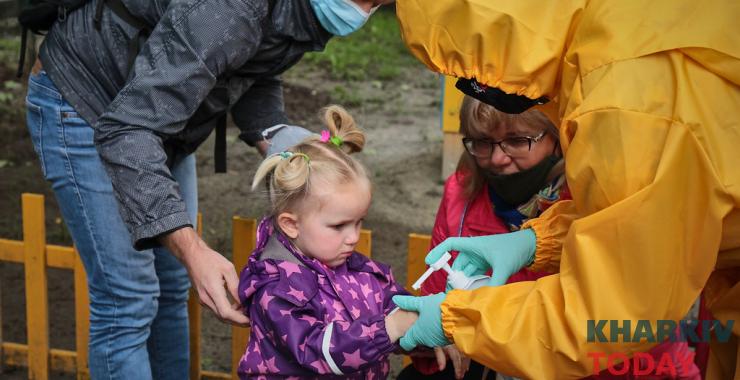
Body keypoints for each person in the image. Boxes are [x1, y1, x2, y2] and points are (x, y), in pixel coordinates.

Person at [24, 0, 393, 378]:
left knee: (171, 290)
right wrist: (194, 249)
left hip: (159, 118)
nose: (369, 10)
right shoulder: (230, 7)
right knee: (128, 299)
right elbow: (128, 130)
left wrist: (276, 138)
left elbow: (252, 59)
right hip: (92, 107)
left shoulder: (295, 14)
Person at [391, 0, 740, 379]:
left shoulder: (631, 104)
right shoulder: (619, 30)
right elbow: (647, 208)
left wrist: (458, 320)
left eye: (468, 65)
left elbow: (613, 307)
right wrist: (539, 241)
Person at [237, 105, 417, 378]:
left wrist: (422, 326)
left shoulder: (356, 268)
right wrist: (390, 328)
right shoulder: (276, 289)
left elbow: (390, 301)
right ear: (291, 224)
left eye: (359, 222)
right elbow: (317, 349)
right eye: (339, 226)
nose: (354, 237)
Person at [398, 95, 566, 380]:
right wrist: (441, 339)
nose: (498, 159)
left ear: (557, 136)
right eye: (482, 141)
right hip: (476, 349)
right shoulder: (462, 192)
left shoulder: (585, 199)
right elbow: (438, 292)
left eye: (516, 140)